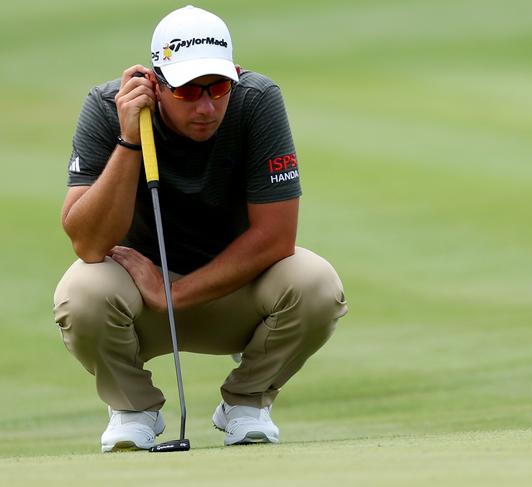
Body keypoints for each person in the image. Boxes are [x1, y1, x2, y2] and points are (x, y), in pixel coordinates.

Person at [53, 5, 347, 453]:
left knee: (317, 284)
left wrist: (173, 293)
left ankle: (247, 402)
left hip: (234, 294)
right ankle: (134, 409)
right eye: (189, 91)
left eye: (218, 87)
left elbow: (276, 237)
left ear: (236, 75)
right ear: (154, 83)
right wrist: (130, 139)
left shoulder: (257, 100)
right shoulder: (107, 106)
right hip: (138, 302)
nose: (207, 107)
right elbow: (88, 243)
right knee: (82, 292)